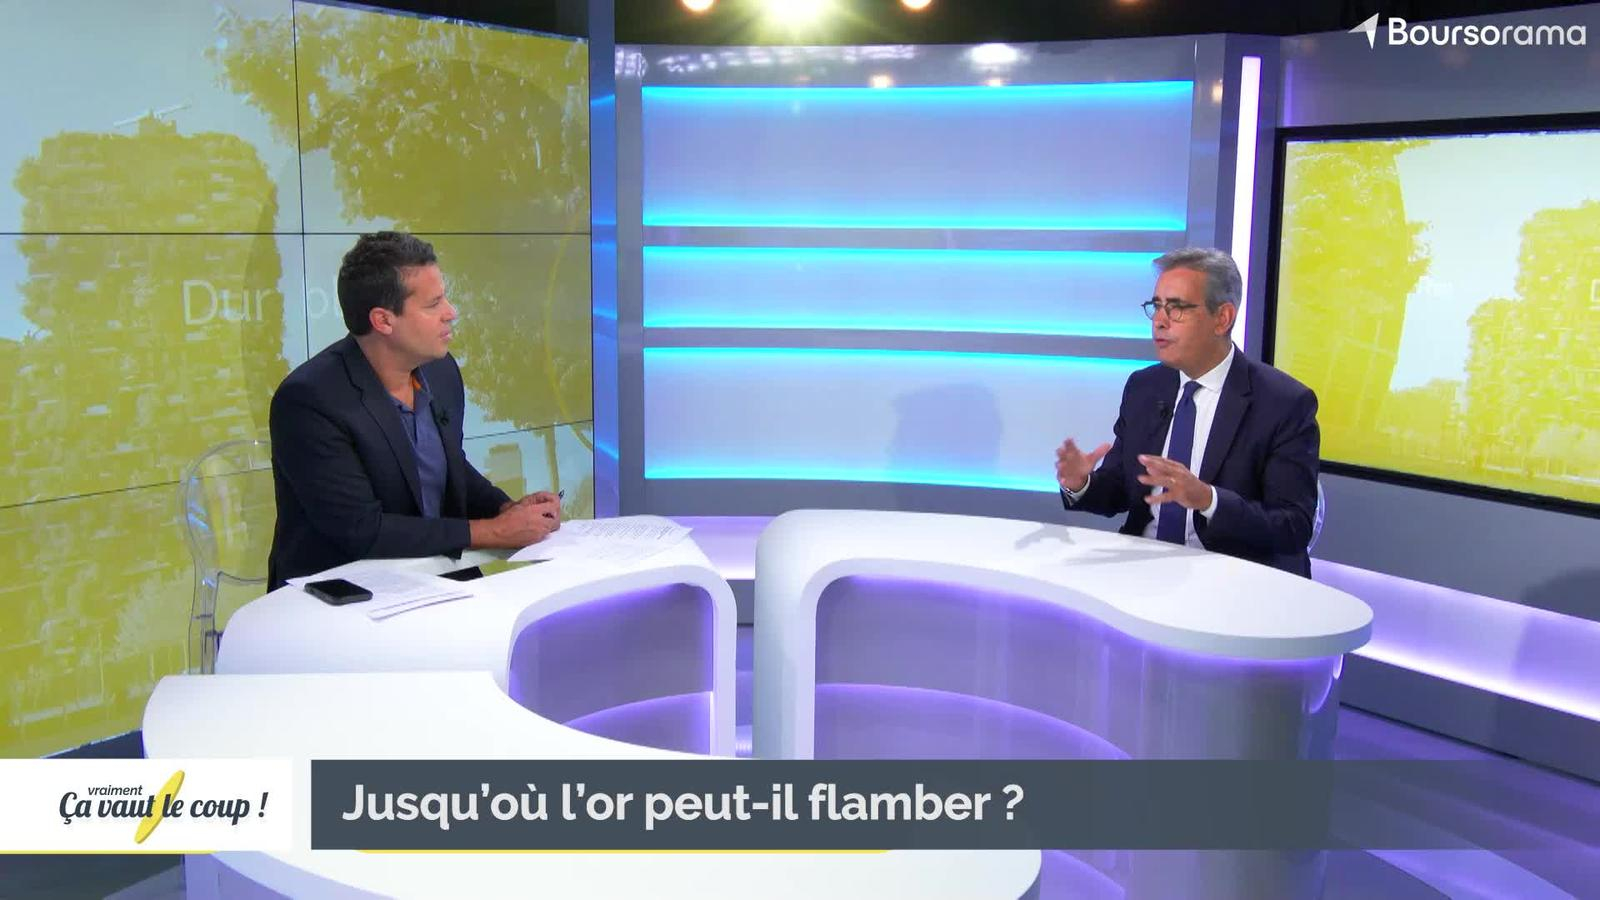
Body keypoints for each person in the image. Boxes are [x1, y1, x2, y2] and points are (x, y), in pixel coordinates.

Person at [267, 231, 559, 589]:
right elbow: (361, 530)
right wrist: (494, 531)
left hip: (437, 578)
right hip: (342, 594)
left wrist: (506, 509)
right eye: (433, 304)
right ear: (383, 320)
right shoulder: (309, 401)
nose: (451, 313)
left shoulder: (440, 372)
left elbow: (449, 466)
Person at [1055, 248, 1320, 576]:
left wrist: (1208, 499)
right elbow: (1122, 491)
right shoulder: (1144, 387)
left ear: (1222, 318)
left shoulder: (1283, 402)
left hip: (1236, 578)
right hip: (1144, 570)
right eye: (1156, 306)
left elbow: (1293, 527)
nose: (1160, 321)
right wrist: (1081, 483)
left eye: (1177, 308)